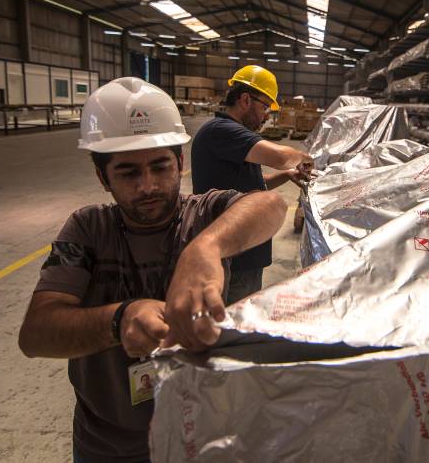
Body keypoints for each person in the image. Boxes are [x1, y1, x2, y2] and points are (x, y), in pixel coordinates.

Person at [18, 77, 286, 463]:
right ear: (102, 177)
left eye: (161, 167)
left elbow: (269, 206)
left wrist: (206, 247)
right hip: (108, 446)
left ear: (180, 162)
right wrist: (119, 319)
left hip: (197, 431)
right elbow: (36, 334)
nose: (148, 186)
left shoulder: (204, 213)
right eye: (128, 173)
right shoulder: (89, 229)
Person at [190, 65, 313, 303]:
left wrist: (287, 175)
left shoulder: (230, 137)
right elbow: (279, 157)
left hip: (244, 251)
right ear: (245, 99)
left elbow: (251, 184)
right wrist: (302, 158)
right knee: (232, 322)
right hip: (235, 255)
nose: (267, 115)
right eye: (265, 106)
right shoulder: (222, 130)